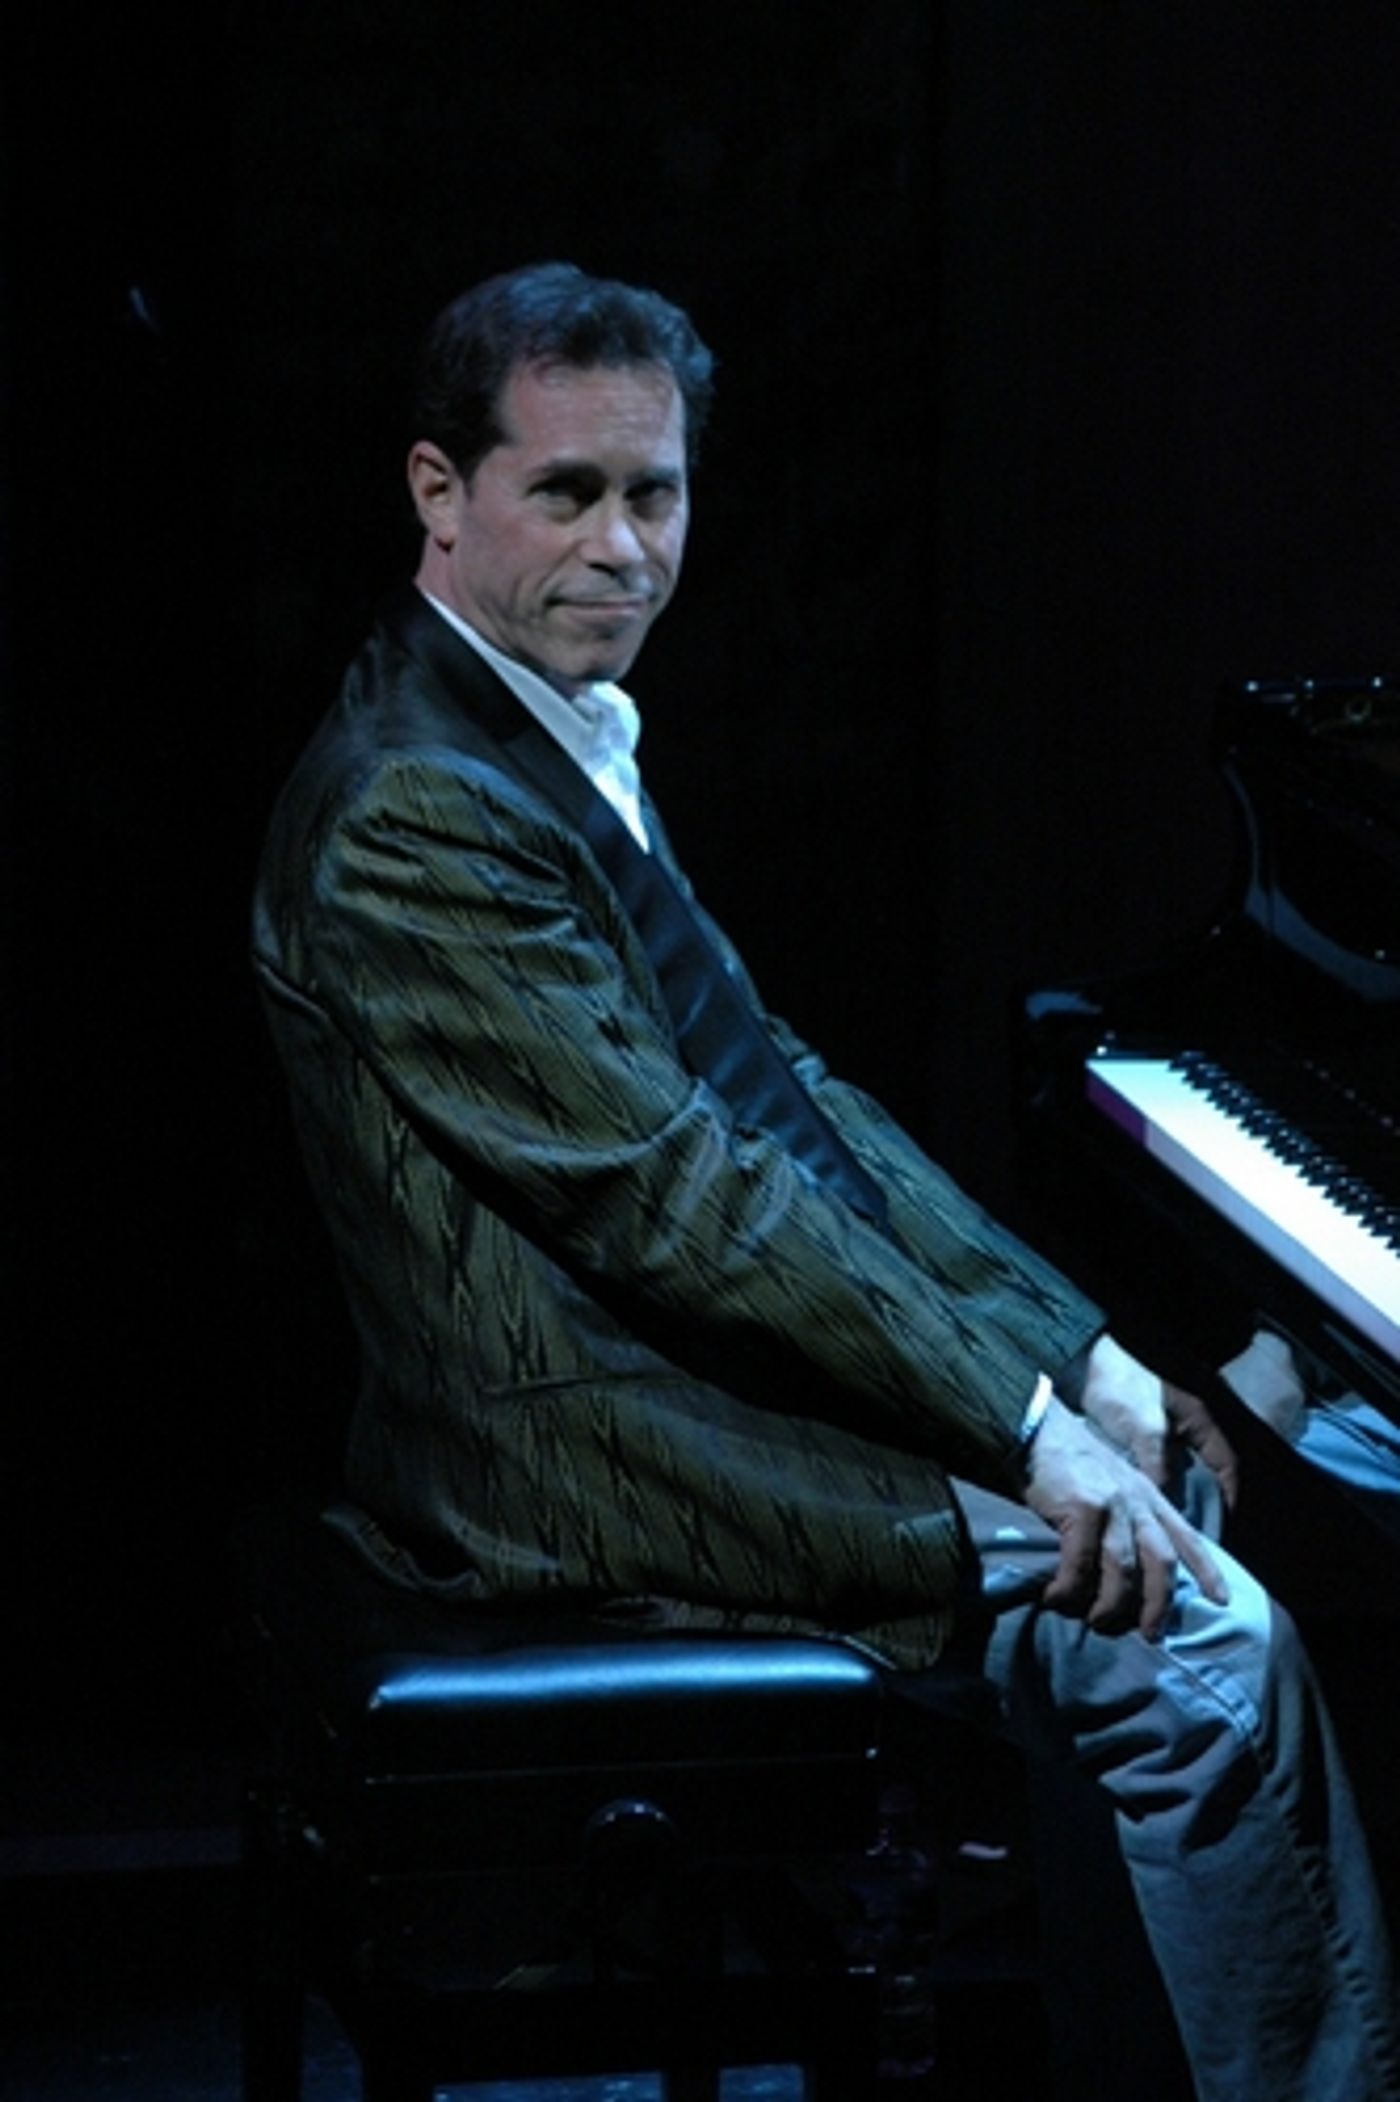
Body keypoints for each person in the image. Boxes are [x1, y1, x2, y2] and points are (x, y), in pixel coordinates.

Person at [252, 260, 1400, 2098]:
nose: (625, 549)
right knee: (1198, 1646)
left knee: (1166, 1483)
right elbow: (681, 1195)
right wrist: (1027, 1430)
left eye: (656, 493)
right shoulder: (421, 807)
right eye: (567, 492)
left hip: (656, 1360)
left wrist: (1074, 1357)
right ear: (438, 493)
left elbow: (783, 1092)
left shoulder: (526, 723)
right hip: (569, 1447)